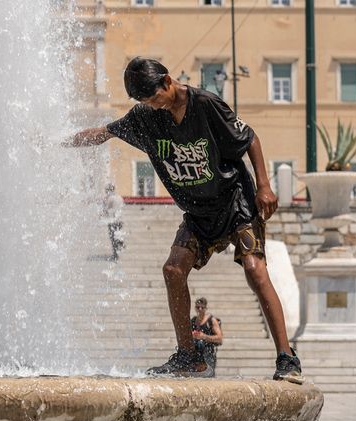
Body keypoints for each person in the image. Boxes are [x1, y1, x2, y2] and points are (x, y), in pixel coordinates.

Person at [63, 57, 303, 383]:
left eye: (155, 98)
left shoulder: (204, 104)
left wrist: (264, 185)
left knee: (254, 269)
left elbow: (250, 138)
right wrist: (57, 142)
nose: (153, 106)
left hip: (235, 201)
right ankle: (189, 357)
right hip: (198, 212)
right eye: (145, 102)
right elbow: (104, 133)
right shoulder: (146, 117)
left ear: (167, 81)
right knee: (173, 270)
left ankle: (287, 359)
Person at [191, 297, 222, 375]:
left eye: (202, 307)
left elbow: (219, 338)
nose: (200, 309)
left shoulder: (211, 320)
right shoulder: (193, 320)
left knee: (208, 376)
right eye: (198, 307)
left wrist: (204, 336)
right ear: (195, 308)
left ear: (206, 308)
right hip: (196, 355)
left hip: (208, 354)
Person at [101, 183, 125, 260]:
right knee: (118, 235)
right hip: (120, 220)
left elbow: (105, 209)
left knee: (113, 238)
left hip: (112, 221)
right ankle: (120, 245)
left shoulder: (110, 198)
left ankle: (115, 255)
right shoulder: (119, 197)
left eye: (106, 190)